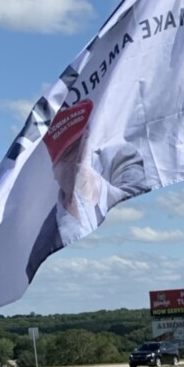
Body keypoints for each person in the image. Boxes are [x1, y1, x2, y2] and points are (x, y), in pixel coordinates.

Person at [26, 100, 156, 281]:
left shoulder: (124, 161)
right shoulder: (40, 245)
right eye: (67, 153)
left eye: (80, 144)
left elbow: (134, 183)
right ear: (54, 171)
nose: (77, 157)